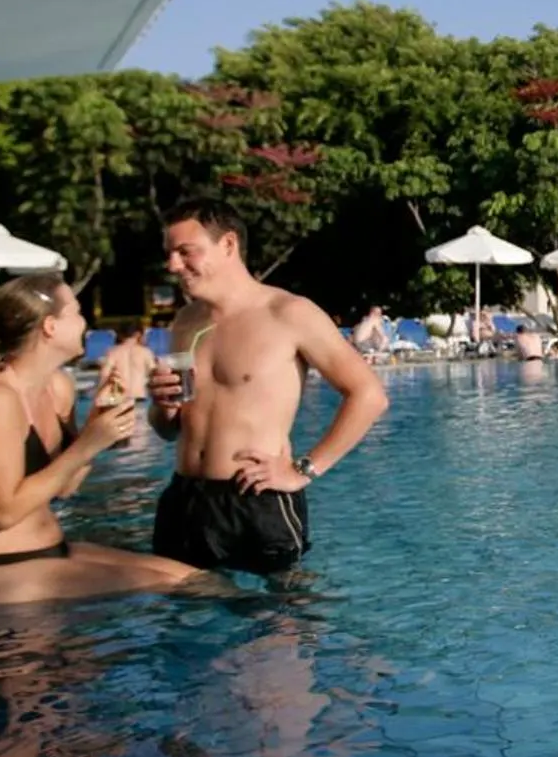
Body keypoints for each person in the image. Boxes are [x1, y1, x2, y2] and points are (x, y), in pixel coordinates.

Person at [0, 274, 205, 611]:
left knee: (198, 581)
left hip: (47, 551)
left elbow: (66, 487)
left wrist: (97, 426)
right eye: (76, 313)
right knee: (174, 589)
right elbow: (2, 511)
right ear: (50, 327)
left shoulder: (57, 387)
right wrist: (89, 443)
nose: (85, 323)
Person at [147, 198, 388, 575]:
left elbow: (369, 395)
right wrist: (162, 406)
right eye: (169, 253)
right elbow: (168, 429)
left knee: (281, 621)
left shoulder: (288, 314)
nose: (172, 265)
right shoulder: (185, 321)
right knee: (182, 622)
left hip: (256, 497)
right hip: (185, 497)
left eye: (184, 252)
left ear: (228, 245)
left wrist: (304, 469)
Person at [100, 322, 157, 403]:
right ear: (138, 334)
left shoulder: (112, 352)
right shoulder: (146, 352)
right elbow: (153, 375)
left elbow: (104, 376)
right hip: (139, 397)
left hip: (119, 399)